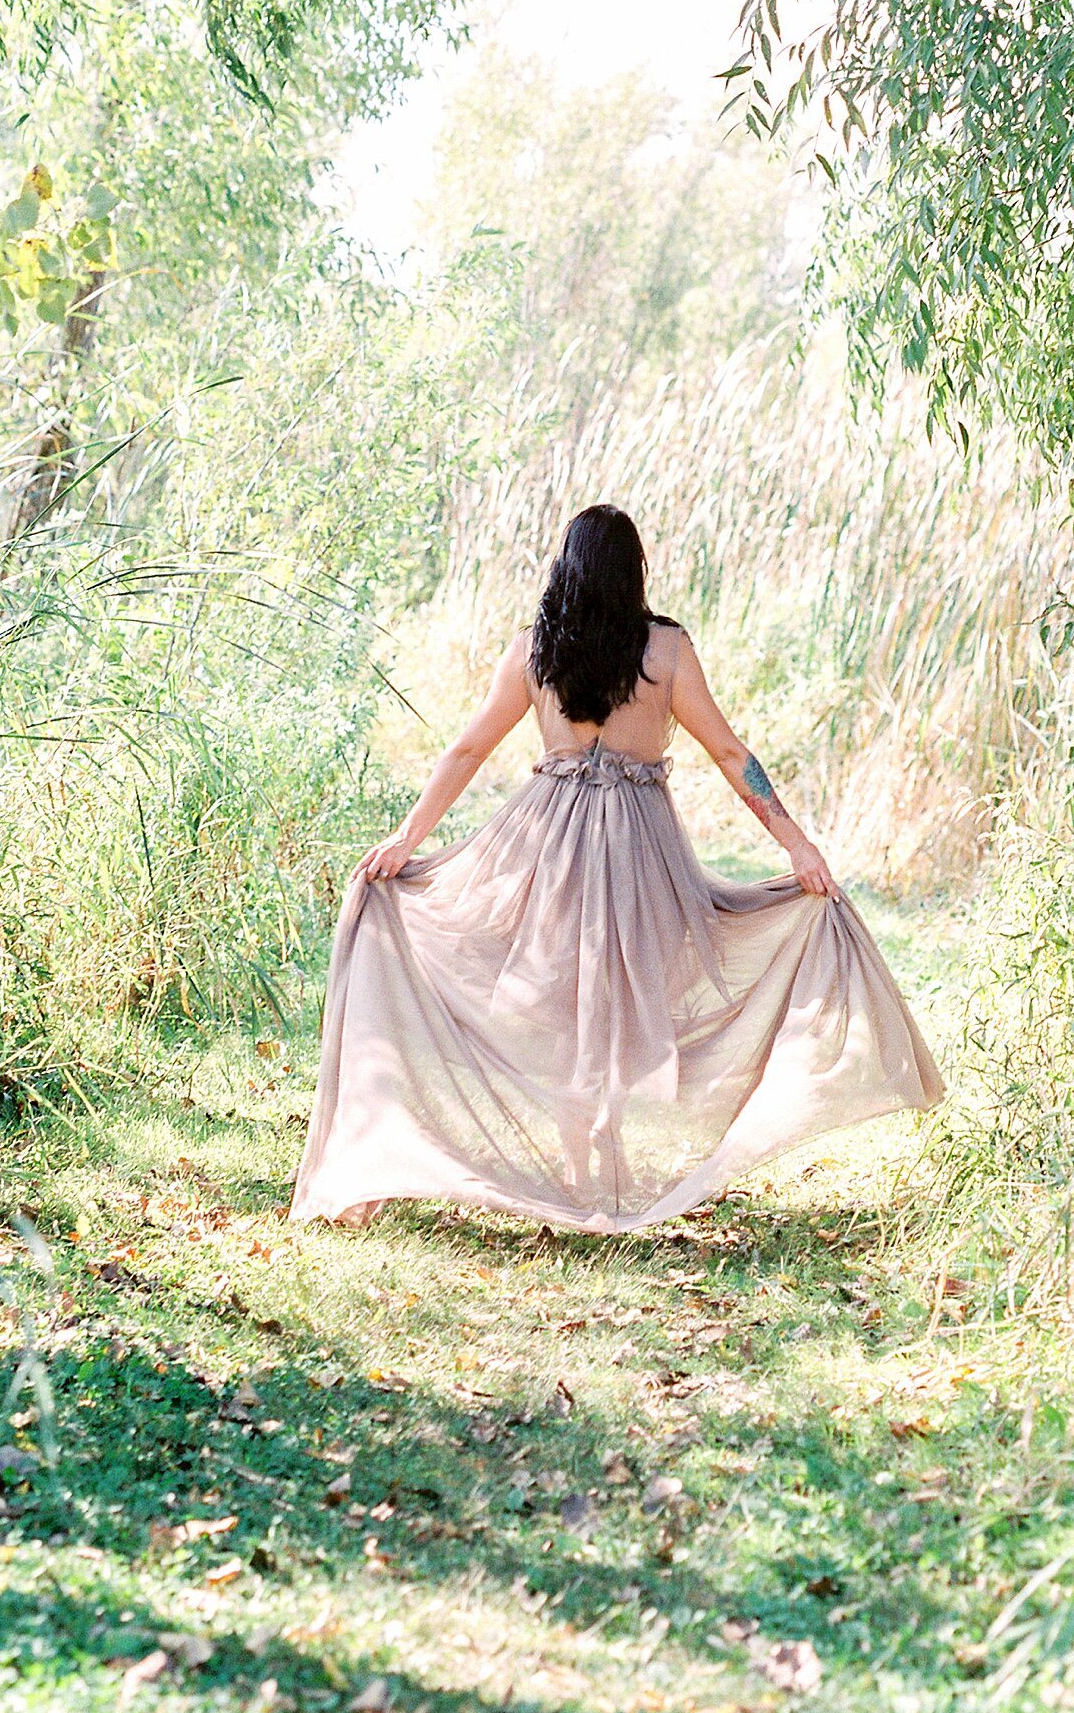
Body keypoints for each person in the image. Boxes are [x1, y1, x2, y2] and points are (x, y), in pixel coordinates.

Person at [290, 505, 942, 1231]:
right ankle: (593, 1159)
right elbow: (730, 753)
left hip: (548, 837)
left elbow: (466, 751)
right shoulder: (664, 651)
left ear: (564, 568)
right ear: (635, 569)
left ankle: (576, 1167)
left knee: (569, 1000)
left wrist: (408, 839)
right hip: (639, 845)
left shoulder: (535, 650)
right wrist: (795, 843)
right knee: (625, 997)